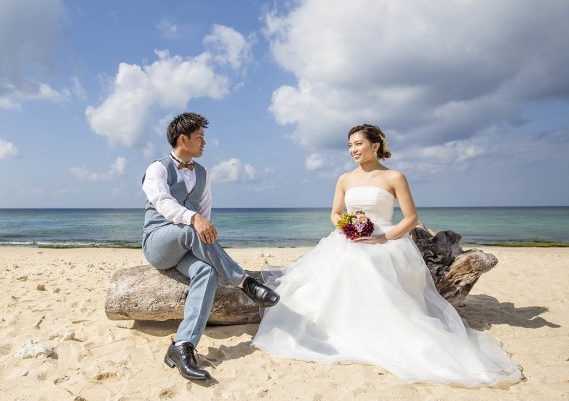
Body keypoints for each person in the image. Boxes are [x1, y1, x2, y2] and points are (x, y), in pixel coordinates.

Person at [251, 124, 521, 386]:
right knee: (331, 273)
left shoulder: (395, 177)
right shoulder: (345, 178)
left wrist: (382, 238)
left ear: (375, 145)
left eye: (358, 144)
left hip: (386, 239)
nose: (352, 150)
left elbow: (411, 218)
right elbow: (335, 213)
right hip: (349, 237)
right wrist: (346, 226)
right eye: (349, 145)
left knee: (372, 269)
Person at [142, 112, 280, 381]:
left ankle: (182, 346)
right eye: (200, 138)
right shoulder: (157, 169)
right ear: (183, 139)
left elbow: (205, 212)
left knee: (206, 271)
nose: (204, 143)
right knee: (190, 226)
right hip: (158, 242)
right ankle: (245, 283)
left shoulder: (203, 173)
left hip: (186, 245)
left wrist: (200, 224)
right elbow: (164, 204)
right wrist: (193, 219)